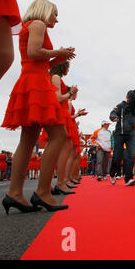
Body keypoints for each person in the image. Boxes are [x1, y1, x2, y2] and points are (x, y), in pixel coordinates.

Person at [1, 0, 75, 214]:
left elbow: (37, 59)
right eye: (55, 13)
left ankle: (14, 193)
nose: (56, 19)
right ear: (44, 10)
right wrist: (57, 52)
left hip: (30, 79)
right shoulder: (38, 24)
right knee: (58, 135)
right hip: (36, 82)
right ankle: (43, 192)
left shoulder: (31, 26)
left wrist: (57, 56)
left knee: (27, 139)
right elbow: (35, 53)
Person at [50, 61, 78, 195]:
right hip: (59, 115)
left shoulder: (57, 78)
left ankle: (60, 182)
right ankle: (60, 182)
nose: (68, 69)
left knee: (64, 150)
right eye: (68, 67)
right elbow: (58, 98)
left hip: (63, 116)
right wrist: (70, 92)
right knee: (61, 150)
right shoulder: (55, 77)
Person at [109, 94, 135, 186]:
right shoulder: (121, 105)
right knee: (117, 156)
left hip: (131, 135)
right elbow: (113, 112)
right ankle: (112, 174)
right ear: (127, 98)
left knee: (130, 156)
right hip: (119, 134)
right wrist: (113, 117)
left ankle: (129, 178)